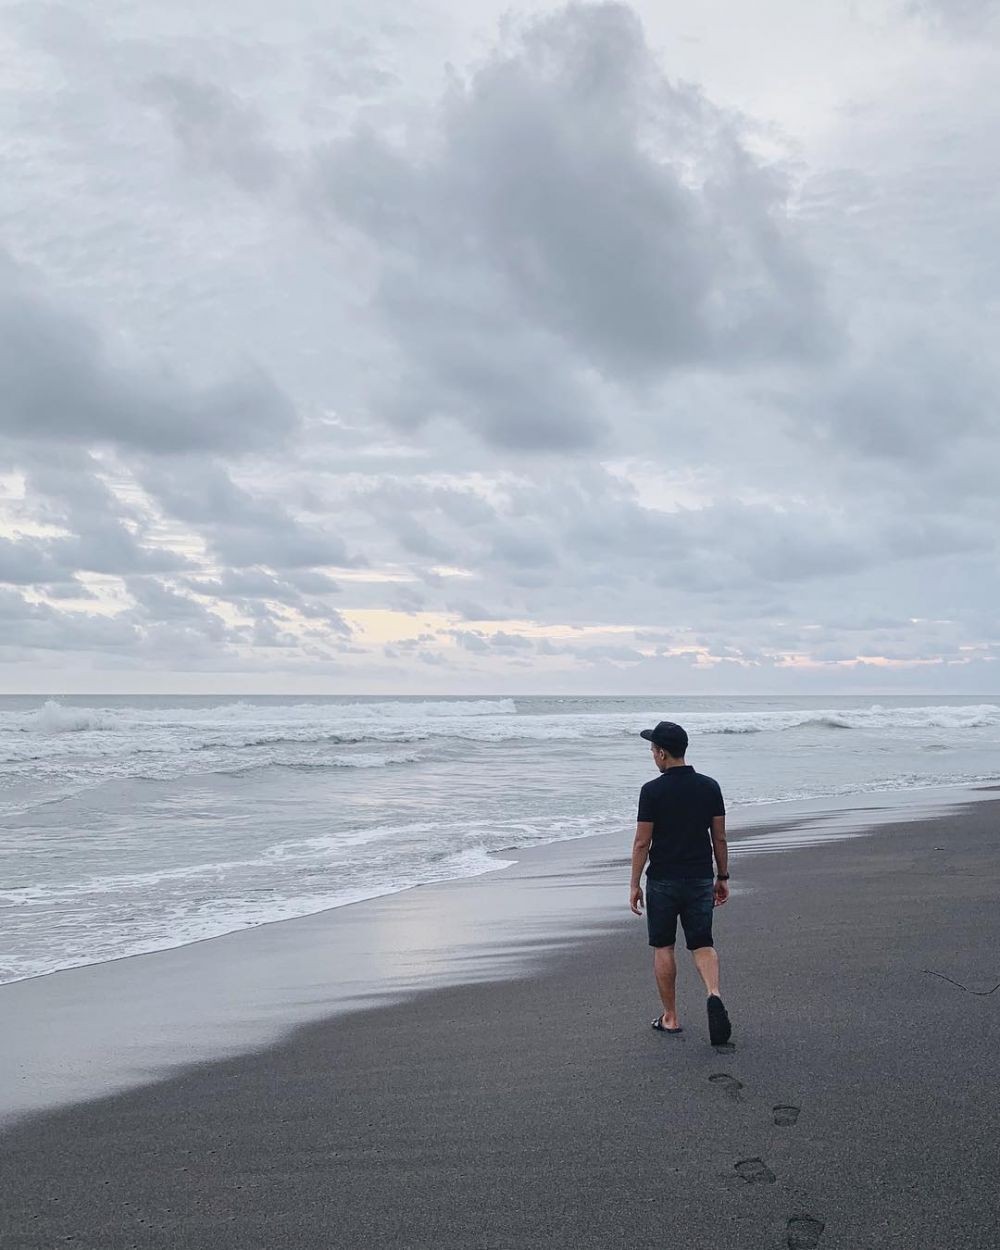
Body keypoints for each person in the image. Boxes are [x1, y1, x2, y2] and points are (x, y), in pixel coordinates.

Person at [629, 720, 732, 1045]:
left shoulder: (652, 791)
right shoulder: (709, 786)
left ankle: (670, 1017)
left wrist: (634, 883)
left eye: (652, 750)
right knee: (702, 943)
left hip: (663, 880)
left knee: (664, 946)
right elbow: (720, 837)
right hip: (700, 877)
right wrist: (722, 876)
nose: (652, 756)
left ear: (661, 753)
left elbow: (642, 843)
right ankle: (713, 993)